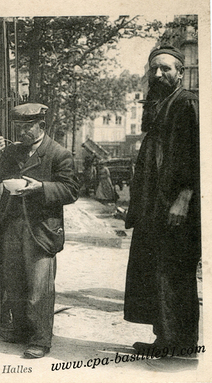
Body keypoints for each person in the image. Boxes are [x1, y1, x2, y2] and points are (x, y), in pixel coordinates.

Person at [123, 46, 200, 367]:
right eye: (154, 69)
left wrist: (184, 197)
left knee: (175, 274)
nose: (158, 75)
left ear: (180, 73)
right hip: (154, 208)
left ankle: (182, 343)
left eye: (166, 69)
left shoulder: (187, 104)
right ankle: (164, 338)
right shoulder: (157, 105)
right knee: (155, 272)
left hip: (178, 207)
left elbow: (200, 156)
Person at [0, 103, 79, 359]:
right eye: (18, 127)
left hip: (41, 228)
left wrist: (40, 188)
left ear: (42, 126)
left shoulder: (59, 154)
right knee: (14, 281)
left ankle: (40, 339)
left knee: (40, 287)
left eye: (28, 127)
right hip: (12, 225)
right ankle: (20, 330)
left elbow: (71, 191)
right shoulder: (13, 151)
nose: (22, 132)